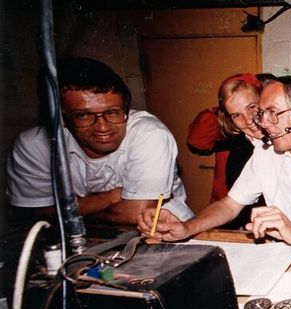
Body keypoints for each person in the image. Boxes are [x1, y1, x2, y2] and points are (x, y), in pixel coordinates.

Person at [138, 75, 291, 245]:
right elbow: (229, 205)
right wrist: (187, 227)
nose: (263, 123)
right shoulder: (265, 153)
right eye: (263, 114)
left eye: (273, 113)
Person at [7, 56, 192, 229]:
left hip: (161, 233)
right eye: (84, 116)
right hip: (80, 238)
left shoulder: (149, 133)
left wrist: (69, 211)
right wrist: (110, 197)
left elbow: (137, 214)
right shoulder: (34, 146)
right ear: (63, 118)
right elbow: (32, 213)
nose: (102, 127)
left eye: (112, 113)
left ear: (126, 110)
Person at [186, 73, 273, 229]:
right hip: (246, 225)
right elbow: (196, 141)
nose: (248, 120)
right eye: (237, 115)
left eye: (252, 107)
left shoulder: (288, 136)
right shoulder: (239, 144)